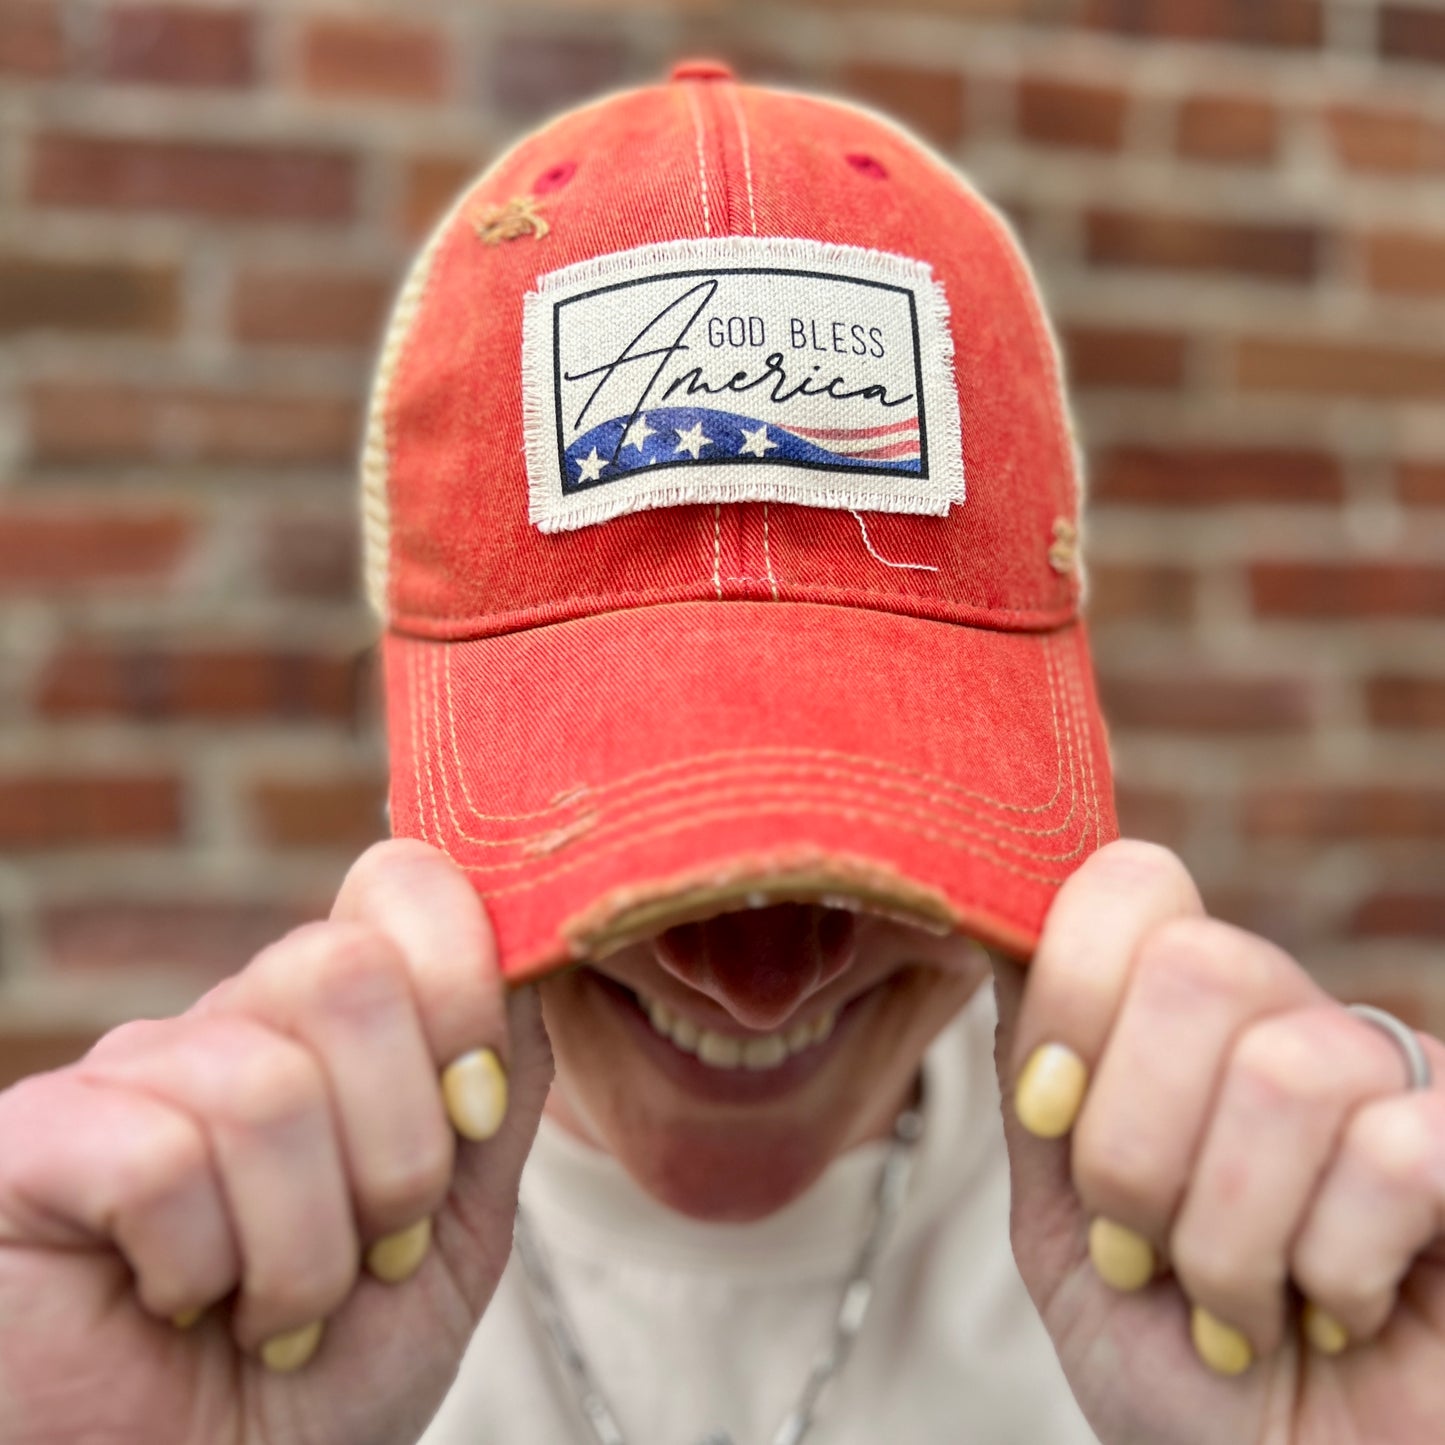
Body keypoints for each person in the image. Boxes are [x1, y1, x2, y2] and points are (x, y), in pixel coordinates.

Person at [1, 61, 1443, 1445]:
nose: (760, 979)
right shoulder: (189, 1294)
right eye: (634, 812)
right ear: (405, 746)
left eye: (885, 814)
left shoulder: (1253, 1300)